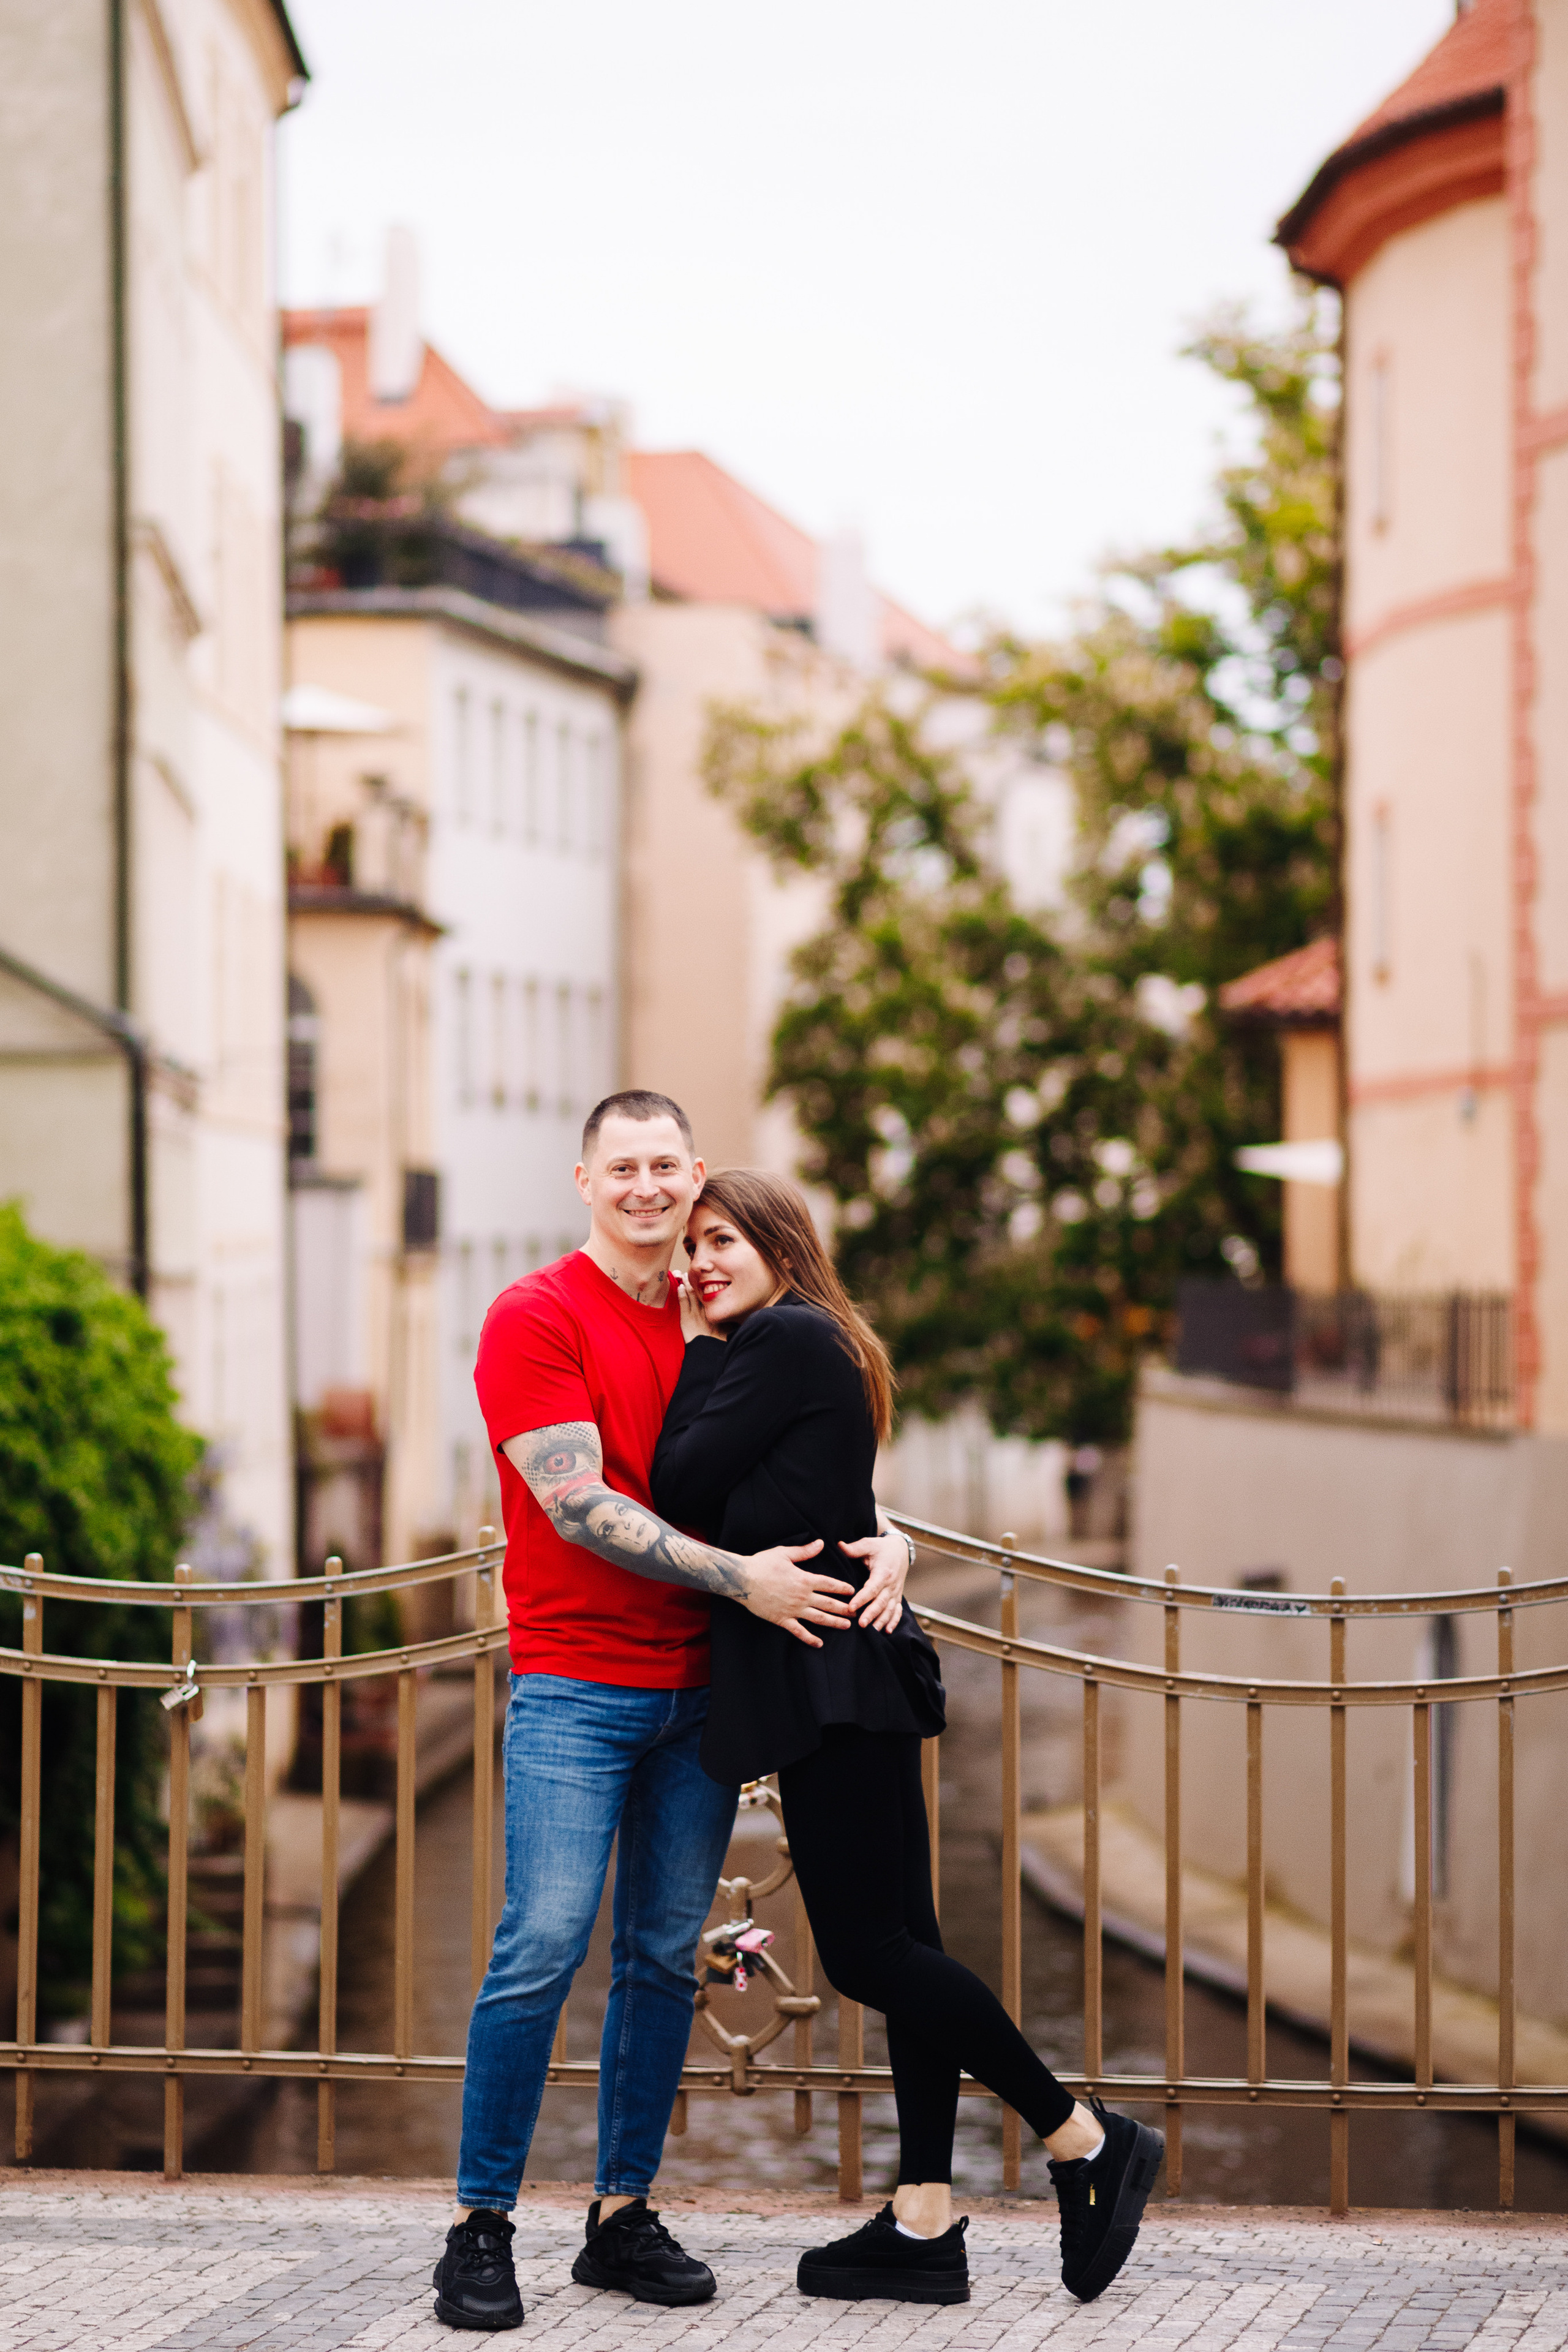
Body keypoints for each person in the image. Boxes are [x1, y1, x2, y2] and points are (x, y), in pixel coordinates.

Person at [432, 1093, 914, 2332]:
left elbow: (809, 1460)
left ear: (693, 1176)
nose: (648, 1189)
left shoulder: (723, 1315)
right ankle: (480, 2226)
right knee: (539, 1943)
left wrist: (888, 1535)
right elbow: (574, 1503)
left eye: (666, 1168)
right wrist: (736, 1576)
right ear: (583, 1179)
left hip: (703, 1690)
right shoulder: (533, 1315)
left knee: (657, 1957)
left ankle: (619, 2217)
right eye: (622, 1167)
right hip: (577, 1684)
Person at [649, 1167, 1164, 2309]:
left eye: (721, 1239)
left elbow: (680, 1478)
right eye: (692, 1251)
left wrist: (691, 1345)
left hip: (832, 1679)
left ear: (782, 1241)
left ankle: (1081, 2136)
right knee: (908, 1938)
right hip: (855, 1672)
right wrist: (890, 1542)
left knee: (868, 1956)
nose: (700, 1266)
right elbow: (821, 1501)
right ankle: (925, 2216)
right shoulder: (817, 1339)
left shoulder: (774, 1343)